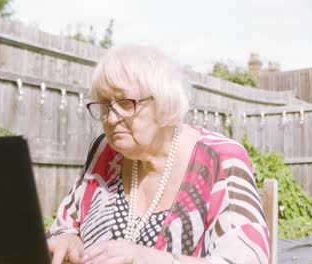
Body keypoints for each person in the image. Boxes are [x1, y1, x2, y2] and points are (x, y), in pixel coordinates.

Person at [47, 45, 270, 264]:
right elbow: (66, 224)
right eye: (105, 105)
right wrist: (69, 239)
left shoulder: (220, 158)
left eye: (126, 103)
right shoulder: (106, 151)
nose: (111, 118)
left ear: (164, 101)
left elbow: (248, 259)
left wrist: (149, 258)